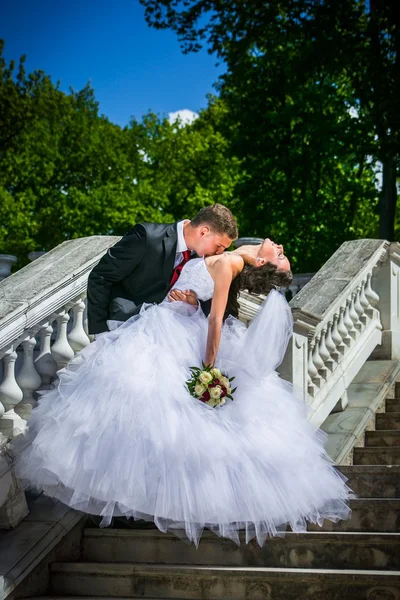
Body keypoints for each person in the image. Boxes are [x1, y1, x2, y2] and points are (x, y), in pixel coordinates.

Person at [13, 238, 353, 547]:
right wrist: (193, 299)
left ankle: (143, 502)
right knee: (144, 411)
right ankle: (136, 499)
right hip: (172, 320)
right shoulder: (236, 252)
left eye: (281, 255)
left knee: (160, 416)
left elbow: (217, 319)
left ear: (263, 264)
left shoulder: (230, 263)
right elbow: (209, 295)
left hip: (173, 331)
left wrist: (209, 367)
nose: (279, 246)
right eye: (282, 251)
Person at [87, 203, 238, 335]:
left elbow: (208, 302)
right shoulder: (147, 237)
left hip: (165, 340)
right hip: (122, 329)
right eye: (219, 246)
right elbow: (101, 276)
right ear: (203, 232)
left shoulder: (203, 261)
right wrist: (100, 330)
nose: (219, 253)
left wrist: (194, 304)